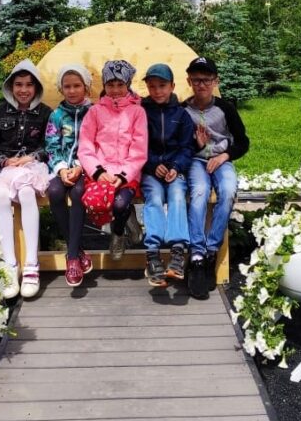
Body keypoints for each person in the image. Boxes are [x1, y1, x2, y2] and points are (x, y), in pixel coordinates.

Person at [0, 58, 52, 299]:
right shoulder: (0, 111)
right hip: (5, 170)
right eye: (18, 84)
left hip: (32, 168)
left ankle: (31, 264)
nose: (23, 90)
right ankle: (9, 264)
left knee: (27, 192)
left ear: (36, 88)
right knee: (1, 195)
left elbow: (50, 145)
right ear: (10, 87)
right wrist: (3, 160)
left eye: (29, 85)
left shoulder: (45, 113)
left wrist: (32, 157)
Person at [183, 56, 249, 300]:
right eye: (196, 80)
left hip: (222, 160)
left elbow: (243, 141)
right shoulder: (183, 110)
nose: (201, 85)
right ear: (189, 81)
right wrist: (197, 144)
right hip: (196, 161)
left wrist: (225, 156)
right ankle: (197, 255)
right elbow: (180, 145)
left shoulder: (225, 109)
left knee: (228, 190)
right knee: (199, 192)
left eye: (206, 80)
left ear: (215, 81)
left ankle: (211, 250)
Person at [77, 59, 148, 260]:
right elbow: (85, 147)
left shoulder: (137, 112)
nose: (115, 90)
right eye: (110, 84)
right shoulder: (95, 111)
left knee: (119, 204)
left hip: (128, 173)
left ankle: (117, 233)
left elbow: (139, 149)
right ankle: (129, 219)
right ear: (104, 85)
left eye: (120, 85)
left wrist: (124, 175)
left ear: (128, 85)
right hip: (101, 171)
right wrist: (98, 171)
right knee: (95, 202)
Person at [140, 63, 195, 287]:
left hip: (174, 171)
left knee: (178, 197)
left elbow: (187, 148)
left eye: (162, 85)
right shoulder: (141, 112)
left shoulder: (182, 115)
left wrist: (176, 167)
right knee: (153, 197)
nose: (157, 91)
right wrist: (153, 165)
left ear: (172, 86)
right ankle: (152, 255)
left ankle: (177, 253)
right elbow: (138, 145)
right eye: (152, 86)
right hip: (150, 171)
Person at [45, 64, 94, 287]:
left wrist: (80, 167)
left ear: (86, 87)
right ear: (61, 89)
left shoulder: (94, 113)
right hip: (62, 167)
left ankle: (72, 257)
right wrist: (62, 169)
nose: (72, 91)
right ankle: (78, 251)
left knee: (78, 193)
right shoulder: (56, 115)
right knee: (55, 192)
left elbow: (97, 144)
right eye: (67, 87)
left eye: (77, 86)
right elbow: (51, 145)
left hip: (86, 168)